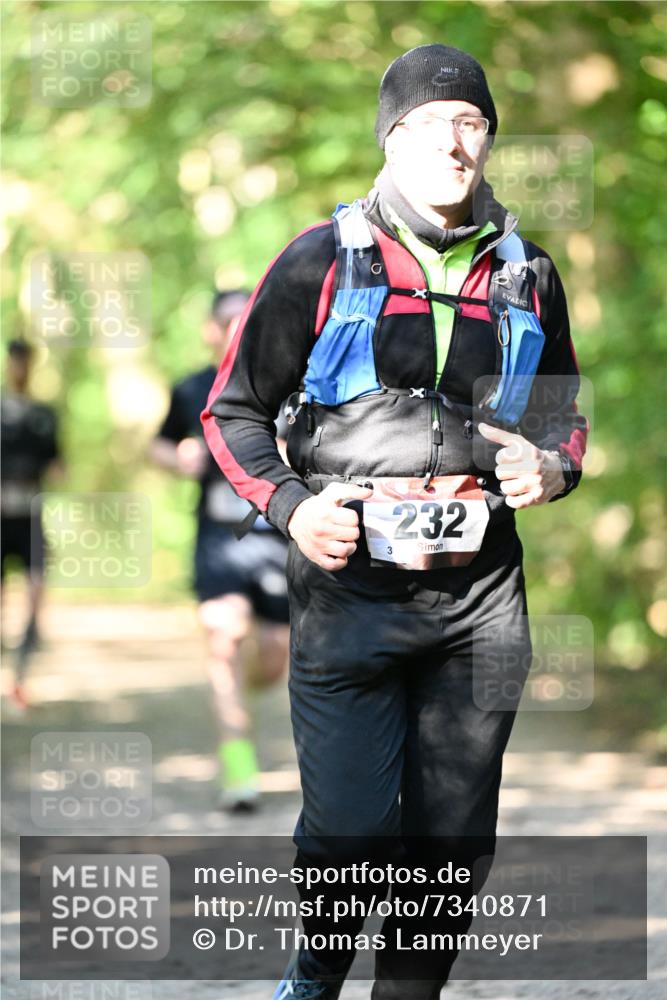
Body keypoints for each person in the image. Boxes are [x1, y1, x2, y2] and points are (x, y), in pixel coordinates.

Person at [202, 45, 589, 999]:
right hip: (348, 588)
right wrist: (292, 512)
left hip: (482, 596)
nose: (453, 145)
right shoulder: (319, 259)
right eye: (430, 124)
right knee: (352, 829)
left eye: (472, 124)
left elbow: (561, 421)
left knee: (454, 843)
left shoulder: (529, 272)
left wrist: (552, 466)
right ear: (392, 138)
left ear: (488, 140)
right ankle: (317, 969)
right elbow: (231, 411)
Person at [151, 291, 290, 812]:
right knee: (224, 635)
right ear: (211, 329)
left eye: (245, 318)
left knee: (273, 657)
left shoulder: (287, 384)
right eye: (227, 320)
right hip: (217, 537)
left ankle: (249, 681)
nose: (237, 328)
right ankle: (239, 771)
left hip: (274, 536)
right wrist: (177, 456)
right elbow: (158, 443)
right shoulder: (191, 388)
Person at [1, 339, 62, 710]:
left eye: (25, 362)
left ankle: (19, 680)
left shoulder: (43, 416)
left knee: (37, 593)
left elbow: (57, 462)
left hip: (31, 516)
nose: (20, 368)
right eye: (15, 361)